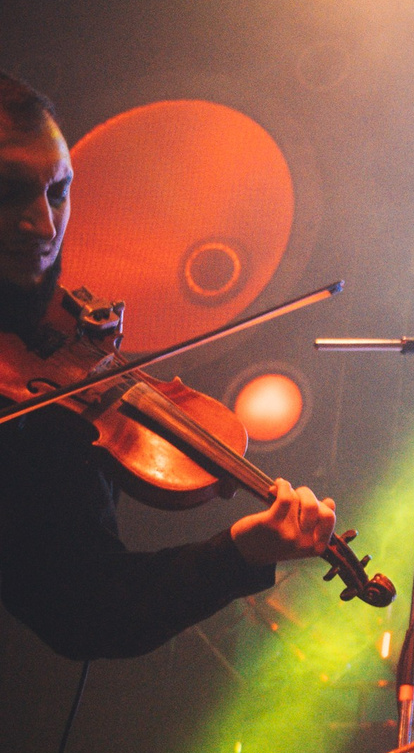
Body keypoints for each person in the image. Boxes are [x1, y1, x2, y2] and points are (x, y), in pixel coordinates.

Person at [0, 71, 336, 656]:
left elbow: (88, 607)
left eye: (57, 192)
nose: (45, 226)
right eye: (9, 193)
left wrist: (241, 553)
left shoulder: (51, 384)